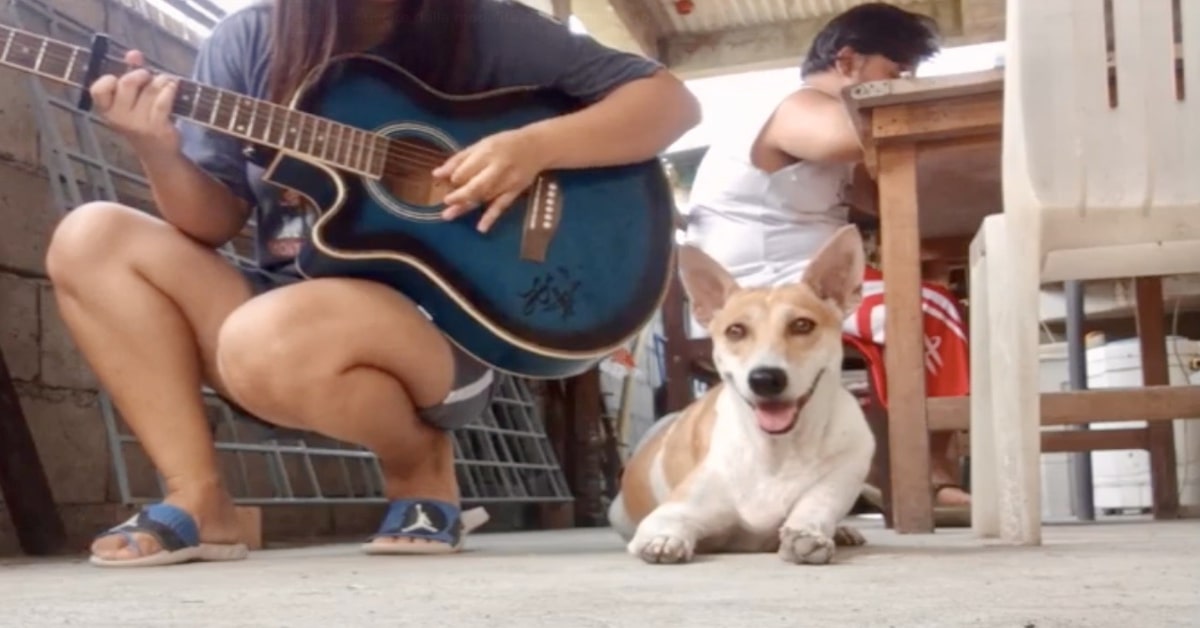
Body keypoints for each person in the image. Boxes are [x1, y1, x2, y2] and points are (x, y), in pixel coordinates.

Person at [47, 0, 700, 567]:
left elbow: (671, 102)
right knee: (91, 236)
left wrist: (533, 147)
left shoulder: (485, 29)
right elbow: (211, 220)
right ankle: (200, 497)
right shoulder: (249, 39)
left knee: (265, 336)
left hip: (437, 336)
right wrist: (155, 149)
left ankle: (420, 467)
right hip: (284, 321)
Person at [681, 2, 972, 513]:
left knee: (930, 294)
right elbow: (857, 140)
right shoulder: (800, 108)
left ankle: (893, 466)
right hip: (761, 292)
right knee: (929, 306)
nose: (902, 87)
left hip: (794, 283)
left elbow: (885, 196)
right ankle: (928, 475)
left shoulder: (825, 136)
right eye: (895, 73)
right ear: (848, 61)